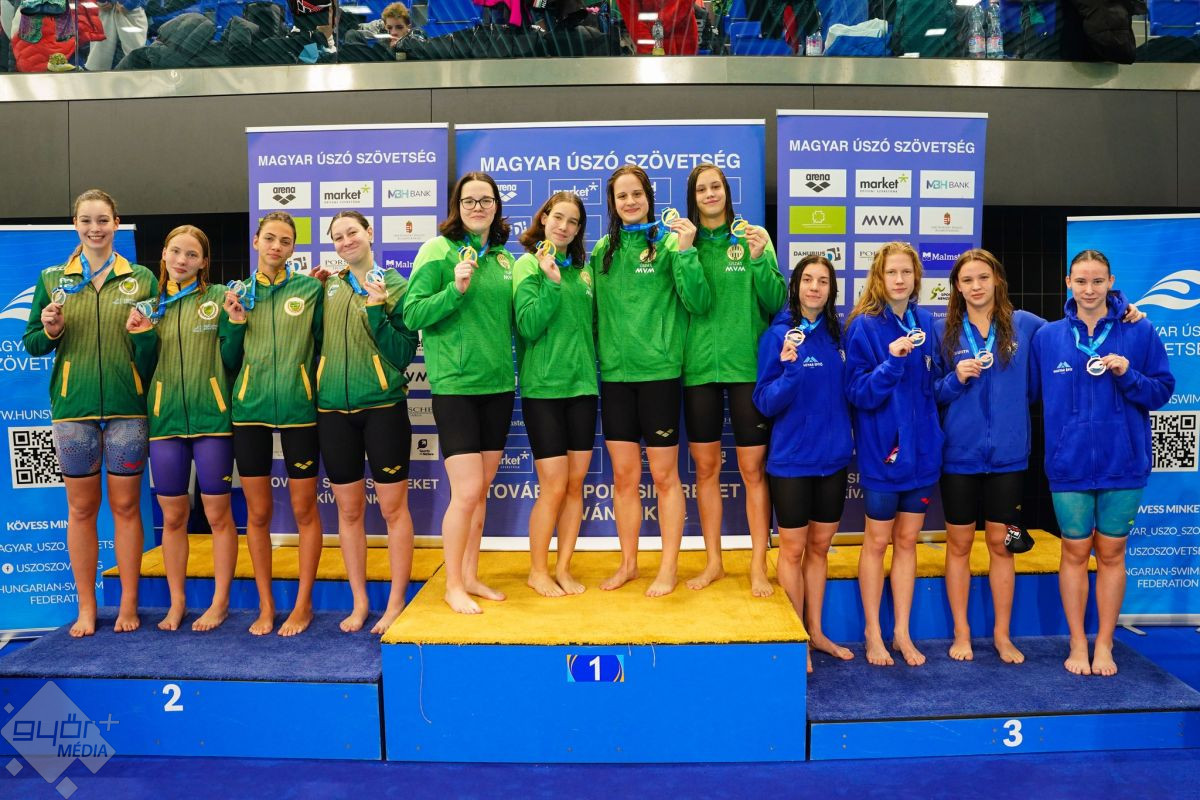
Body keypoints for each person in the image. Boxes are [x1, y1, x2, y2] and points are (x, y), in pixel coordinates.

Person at [1032, 249, 1173, 676]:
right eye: (1081, 281)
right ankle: (1078, 641)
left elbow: (1160, 392)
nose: (1089, 290)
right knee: (1074, 551)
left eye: (1097, 281)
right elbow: (1031, 394)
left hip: (1123, 462)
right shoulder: (1048, 337)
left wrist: (1128, 374)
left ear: (1111, 282)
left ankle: (1106, 642)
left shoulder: (1139, 330)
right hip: (1068, 464)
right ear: (1068, 283)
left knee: (1111, 553)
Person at [23, 188, 156, 637]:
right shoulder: (52, 278)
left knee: (126, 507)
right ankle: (86, 608)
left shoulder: (141, 279)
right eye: (86, 220)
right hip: (74, 411)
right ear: (75, 225)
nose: (95, 228)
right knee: (81, 510)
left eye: (102, 220)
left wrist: (143, 335)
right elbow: (33, 343)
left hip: (127, 409)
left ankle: (128, 604)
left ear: (116, 223)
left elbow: (152, 352)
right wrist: (51, 329)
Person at [591, 164, 711, 597]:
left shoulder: (670, 243)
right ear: (613, 203)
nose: (630, 202)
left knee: (663, 477)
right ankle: (628, 564)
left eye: (636, 194)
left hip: (659, 375)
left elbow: (698, 302)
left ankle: (668, 568)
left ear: (649, 197)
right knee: (624, 479)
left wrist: (686, 252)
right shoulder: (602, 250)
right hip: (616, 378)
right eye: (621, 196)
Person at [405, 172, 517, 615]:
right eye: (469, 200)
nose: (477, 207)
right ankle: (452, 584)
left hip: (499, 386)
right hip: (456, 386)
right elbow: (413, 312)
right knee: (467, 492)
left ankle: (470, 575)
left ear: (496, 206)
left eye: (485, 200)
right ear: (457, 206)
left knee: (481, 491)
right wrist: (455, 290)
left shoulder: (504, 259)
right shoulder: (437, 250)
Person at [126, 225, 237, 632]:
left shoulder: (218, 297)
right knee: (173, 516)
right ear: (164, 254)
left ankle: (220, 603)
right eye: (176, 251)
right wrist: (142, 338)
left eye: (192, 254)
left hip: (212, 421)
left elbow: (232, 359)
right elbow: (144, 369)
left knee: (218, 514)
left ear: (204, 262)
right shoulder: (147, 306)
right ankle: (177, 604)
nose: (182, 260)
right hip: (166, 422)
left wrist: (236, 325)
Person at [682, 163, 785, 597]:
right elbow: (695, 302)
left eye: (716, 187)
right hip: (700, 369)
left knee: (752, 469)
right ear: (693, 197)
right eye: (701, 189)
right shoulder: (684, 244)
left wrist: (759, 259)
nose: (710, 194)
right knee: (706, 469)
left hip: (748, 369)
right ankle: (714, 563)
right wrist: (685, 254)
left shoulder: (754, 237)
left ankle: (758, 564)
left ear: (726, 192)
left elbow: (776, 301)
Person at [220, 211, 325, 636]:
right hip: (250, 412)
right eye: (270, 238)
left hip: (300, 412)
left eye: (285, 240)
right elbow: (228, 360)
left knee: (304, 509)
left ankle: (303, 605)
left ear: (293, 247)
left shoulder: (311, 289)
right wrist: (235, 323)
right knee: (259, 513)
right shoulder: (238, 294)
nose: (276, 246)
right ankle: (265, 607)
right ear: (256, 241)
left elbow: (323, 346)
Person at [319, 211, 419, 633]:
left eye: (352, 233)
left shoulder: (397, 285)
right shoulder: (329, 286)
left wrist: (377, 310)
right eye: (338, 237)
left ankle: (395, 603)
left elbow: (403, 353)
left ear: (370, 233)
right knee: (348, 511)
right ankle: (359, 602)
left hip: (383, 409)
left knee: (394, 510)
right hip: (332, 412)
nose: (346, 241)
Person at [753, 254, 854, 672]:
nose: (815, 287)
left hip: (833, 461)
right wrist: (790, 371)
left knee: (819, 549)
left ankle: (816, 632)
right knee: (792, 551)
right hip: (792, 462)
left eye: (823, 281)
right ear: (795, 287)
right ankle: (798, 640)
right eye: (807, 280)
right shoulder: (777, 336)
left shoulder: (838, 335)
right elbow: (764, 401)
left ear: (831, 290)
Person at [844, 241, 942, 667]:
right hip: (884, 457)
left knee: (907, 542)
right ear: (879, 279)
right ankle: (873, 632)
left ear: (916, 277)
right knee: (878, 541)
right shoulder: (863, 327)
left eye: (906, 272)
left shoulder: (928, 323)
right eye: (891, 273)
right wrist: (892, 362)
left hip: (923, 458)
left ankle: (901, 632)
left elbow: (935, 388)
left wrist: (956, 379)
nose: (899, 280)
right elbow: (858, 392)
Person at [513, 191, 595, 597]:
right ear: (544, 218)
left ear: (579, 230)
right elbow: (528, 326)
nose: (564, 226)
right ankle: (537, 570)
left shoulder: (584, 270)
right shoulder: (527, 265)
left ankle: (563, 568)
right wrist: (549, 282)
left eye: (573, 221)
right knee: (554, 486)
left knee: (575, 485)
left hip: (583, 388)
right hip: (543, 389)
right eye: (558, 217)